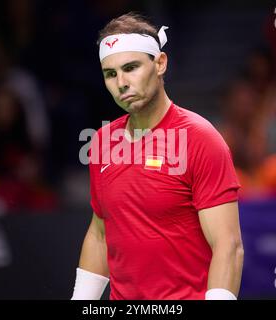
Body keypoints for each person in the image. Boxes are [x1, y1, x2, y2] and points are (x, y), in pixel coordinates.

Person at [71, 12, 244, 300]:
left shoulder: (201, 138)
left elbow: (228, 245)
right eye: (110, 74)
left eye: (131, 67)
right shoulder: (102, 141)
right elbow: (100, 234)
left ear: (160, 63)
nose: (121, 83)